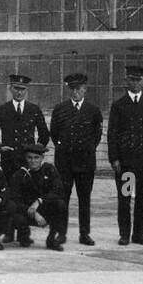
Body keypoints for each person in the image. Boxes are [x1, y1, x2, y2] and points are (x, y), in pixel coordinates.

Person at [106, 65, 143, 246]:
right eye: (132, 79)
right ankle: (124, 234)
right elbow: (112, 134)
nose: (135, 83)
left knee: (142, 200)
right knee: (125, 199)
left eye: (138, 80)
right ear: (126, 81)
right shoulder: (119, 106)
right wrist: (114, 158)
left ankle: (139, 235)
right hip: (126, 165)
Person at [50, 72, 103, 246]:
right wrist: (65, 149)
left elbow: (96, 136)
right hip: (65, 163)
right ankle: (61, 233)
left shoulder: (93, 111)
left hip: (85, 163)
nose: (75, 92)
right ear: (68, 90)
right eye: (72, 89)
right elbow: (55, 134)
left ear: (85, 89)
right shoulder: (60, 109)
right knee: (62, 200)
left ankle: (84, 234)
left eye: (78, 88)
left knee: (84, 200)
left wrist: (85, 150)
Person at [0, 73, 49, 184]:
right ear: (10, 88)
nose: (19, 92)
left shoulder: (34, 109)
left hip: (29, 160)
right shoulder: (2, 110)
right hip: (9, 159)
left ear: (27, 90)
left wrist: (38, 148)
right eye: (16, 88)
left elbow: (44, 133)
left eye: (23, 89)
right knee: (11, 192)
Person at [6, 144, 67, 251]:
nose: (33, 161)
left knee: (60, 204)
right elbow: (15, 199)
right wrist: (35, 214)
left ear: (42, 158)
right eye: (30, 157)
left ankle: (52, 239)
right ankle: (23, 235)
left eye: (36, 157)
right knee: (13, 211)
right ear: (26, 158)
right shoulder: (20, 174)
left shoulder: (49, 169)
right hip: (27, 211)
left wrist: (39, 201)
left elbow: (58, 191)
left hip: (43, 209)